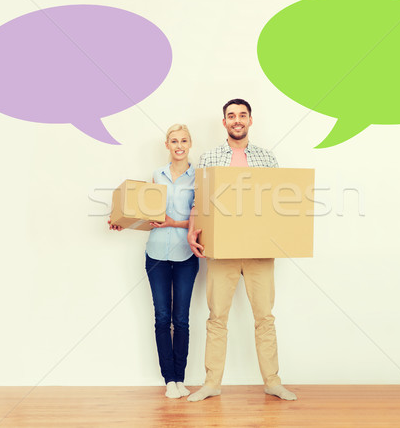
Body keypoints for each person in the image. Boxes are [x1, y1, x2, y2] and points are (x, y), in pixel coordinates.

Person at [186, 99, 297, 402]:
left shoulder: (266, 157)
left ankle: (273, 382)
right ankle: (211, 383)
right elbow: (200, 200)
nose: (237, 120)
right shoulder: (210, 157)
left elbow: (278, 202)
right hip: (222, 249)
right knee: (216, 316)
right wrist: (192, 230)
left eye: (242, 115)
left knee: (264, 316)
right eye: (231, 116)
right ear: (224, 122)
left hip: (259, 249)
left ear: (250, 120)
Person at [109, 124, 198, 399]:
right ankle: (169, 379)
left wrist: (175, 223)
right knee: (162, 317)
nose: (179, 145)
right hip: (156, 254)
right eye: (174, 141)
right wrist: (123, 222)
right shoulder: (156, 176)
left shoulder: (200, 178)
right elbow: (147, 213)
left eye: (183, 140)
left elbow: (202, 219)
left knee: (181, 319)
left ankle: (181, 378)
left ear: (190, 144)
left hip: (186, 255)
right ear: (167, 145)